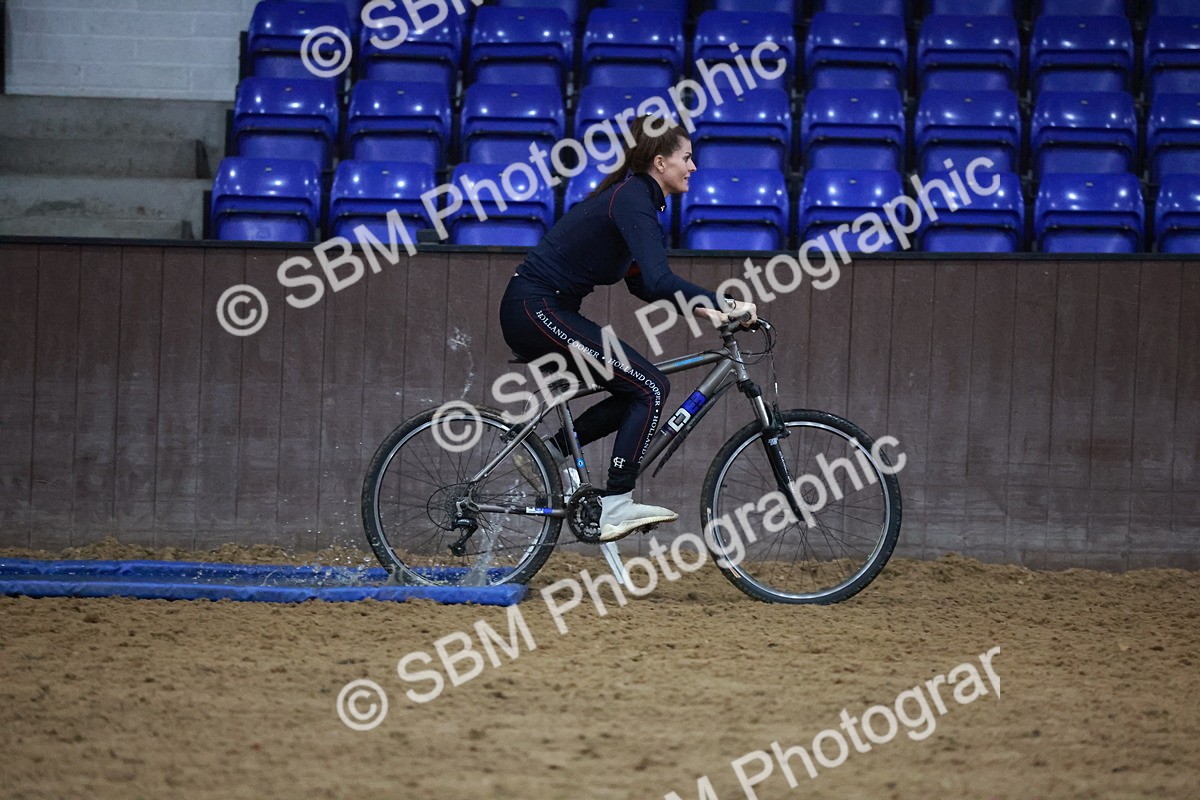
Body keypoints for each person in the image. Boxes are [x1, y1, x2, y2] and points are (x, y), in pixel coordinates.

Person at [499, 115, 757, 542]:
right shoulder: (634, 197)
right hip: (535, 308)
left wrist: (709, 314)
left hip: (540, 307)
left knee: (637, 387)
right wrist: (725, 302)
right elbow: (658, 280)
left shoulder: (638, 200)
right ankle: (616, 504)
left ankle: (550, 451)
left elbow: (641, 283)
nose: (693, 167)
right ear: (660, 162)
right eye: (687, 158)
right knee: (650, 388)